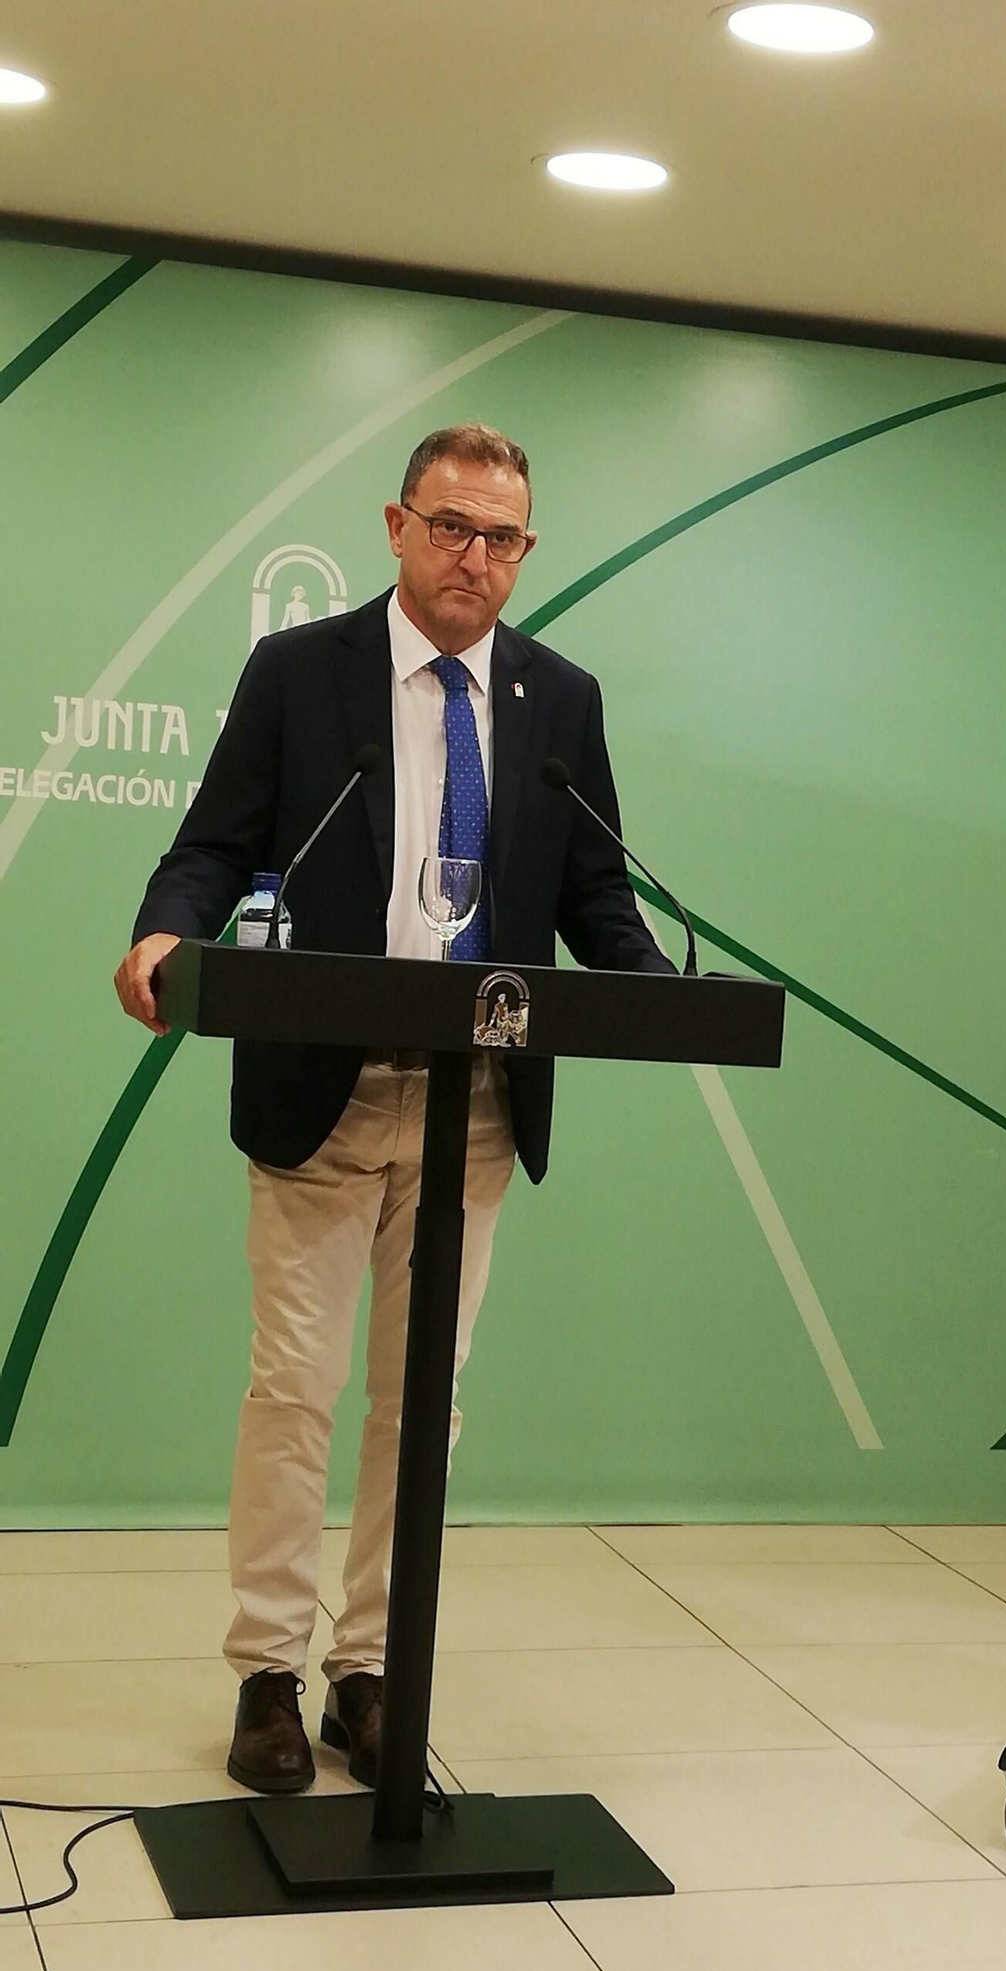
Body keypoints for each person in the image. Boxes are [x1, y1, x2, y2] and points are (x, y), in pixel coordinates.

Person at [113, 423, 675, 1796]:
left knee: (424, 1404)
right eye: (452, 528)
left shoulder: (560, 698)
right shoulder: (299, 673)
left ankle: (373, 1668)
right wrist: (159, 935)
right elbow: (214, 847)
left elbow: (593, 889)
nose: (476, 558)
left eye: (503, 538)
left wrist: (655, 989)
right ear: (396, 525)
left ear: (525, 551)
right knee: (296, 1392)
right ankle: (267, 1668)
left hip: (474, 1100)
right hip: (326, 1085)